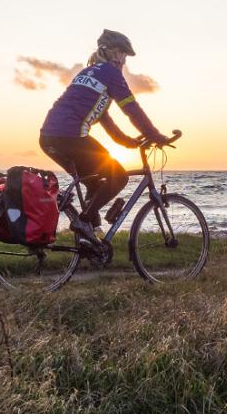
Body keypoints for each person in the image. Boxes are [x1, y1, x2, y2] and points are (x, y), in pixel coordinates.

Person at [39, 30, 170, 253]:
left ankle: (90, 237)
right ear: (113, 53)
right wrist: (155, 135)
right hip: (70, 136)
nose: (124, 61)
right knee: (118, 177)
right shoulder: (110, 73)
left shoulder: (88, 72)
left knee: (94, 182)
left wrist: (130, 142)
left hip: (48, 138)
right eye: (123, 55)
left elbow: (104, 119)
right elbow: (131, 109)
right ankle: (84, 222)